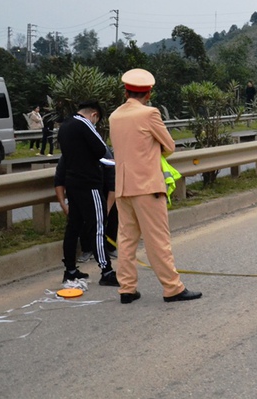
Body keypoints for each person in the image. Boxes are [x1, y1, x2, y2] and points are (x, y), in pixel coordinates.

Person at [109, 68, 201, 303]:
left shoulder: (114, 116)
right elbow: (169, 145)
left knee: (127, 240)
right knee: (157, 240)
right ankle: (172, 288)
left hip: (122, 187)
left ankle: (127, 289)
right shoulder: (150, 114)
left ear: (125, 92)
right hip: (147, 187)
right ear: (148, 93)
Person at [55, 100, 118, 286]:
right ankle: (106, 271)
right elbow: (100, 149)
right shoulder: (84, 123)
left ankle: (70, 270)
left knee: (73, 226)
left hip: (72, 183)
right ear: (94, 115)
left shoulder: (65, 126)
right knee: (98, 226)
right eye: (96, 120)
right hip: (89, 183)